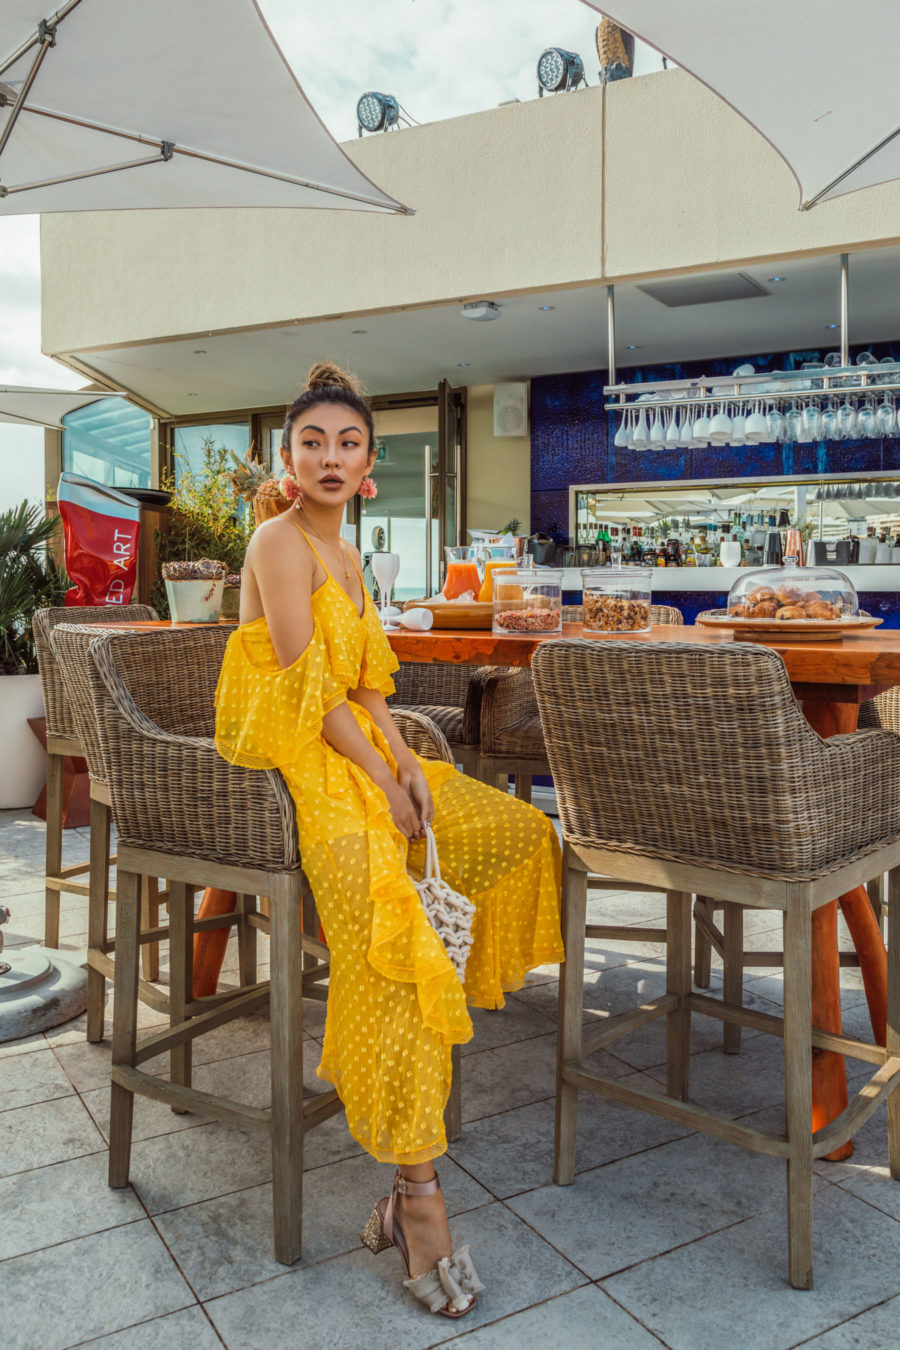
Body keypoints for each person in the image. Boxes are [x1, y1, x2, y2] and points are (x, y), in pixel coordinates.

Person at [215, 361, 563, 1319]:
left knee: (517, 832)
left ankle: (429, 1011)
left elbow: (367, 684)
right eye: (313, 442)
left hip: (362, 747)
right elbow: (307, 690)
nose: (330, 457)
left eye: (348, 443)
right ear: (289, 459)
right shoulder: (278, 542)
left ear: (371, 463)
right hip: (308, 766)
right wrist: (376, 773)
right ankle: (417, 1197)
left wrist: (407, 754)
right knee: (393, 938)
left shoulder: (351, 553)